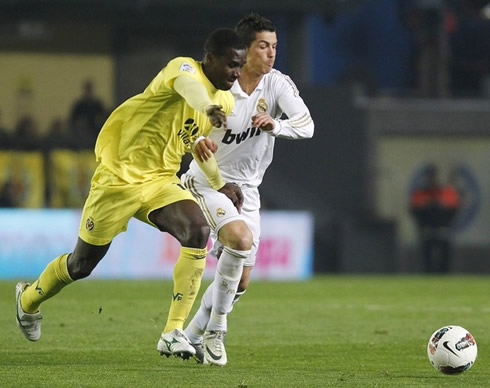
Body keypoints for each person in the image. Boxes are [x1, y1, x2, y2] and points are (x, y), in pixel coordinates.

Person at [15, 28, 247, 361]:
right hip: (117, 179)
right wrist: (208, 107)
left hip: (160, 180)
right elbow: (191, 90)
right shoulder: (182, 69)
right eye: (230, 65)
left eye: (240, 66)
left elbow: (196, 143)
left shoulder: (224, 100)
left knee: (197, 230)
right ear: (210, 59)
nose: (236, 73)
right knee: (81, 265)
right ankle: (28, 301)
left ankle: (172, 331)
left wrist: (220, 182)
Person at [181, 13, 314, 365]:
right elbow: (188, 126)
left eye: (275, 47)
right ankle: (216, 332)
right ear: (245, 49)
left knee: (240, 283)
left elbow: (307, 125)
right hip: (208, 182)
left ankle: (191, 335)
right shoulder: (222, 84)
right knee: (239, 241)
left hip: (247, 190)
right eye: (263, 46)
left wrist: (276, 125)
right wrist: (197, 143)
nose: (271, 54)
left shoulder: (277, 84)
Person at [410, 164, 462, 273]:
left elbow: (454, 209)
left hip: (443, 229)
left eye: (433, 176)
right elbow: (415, 211)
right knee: (427, 259)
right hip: (427, 230)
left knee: (445, 258)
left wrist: (445, 221)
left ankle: (445, 276)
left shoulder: (446, 192)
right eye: (430, 176)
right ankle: (427, 275)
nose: (432, 179)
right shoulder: (420, 193)